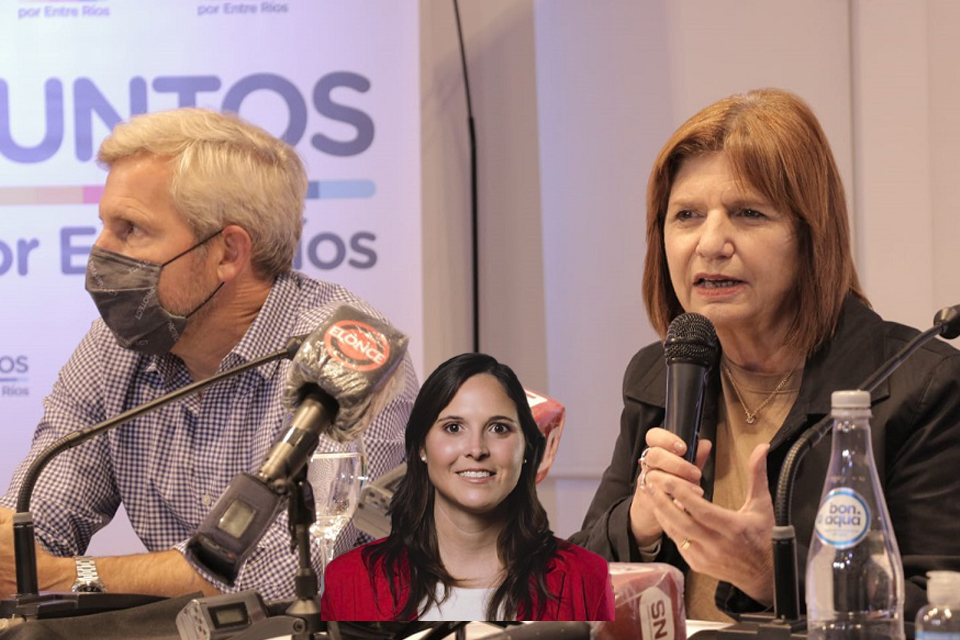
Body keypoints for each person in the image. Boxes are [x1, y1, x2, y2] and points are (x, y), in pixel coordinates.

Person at [569, 88, 960, 622]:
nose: (710, 243)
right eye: (686, 215)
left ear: (811, 236)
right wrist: (640, 525)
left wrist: (772, 576)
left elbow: (938, 611)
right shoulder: (661, 373)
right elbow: (574, 587)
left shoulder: (920, 389)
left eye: (748, 213)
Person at [0, 108, 418, 601]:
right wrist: (26, 561)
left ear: (228, 253)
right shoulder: (114, 349)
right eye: (104, 226)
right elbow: (29, 533)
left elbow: (290, 574)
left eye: (130, 229)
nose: (99, 251)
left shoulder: (345, 358)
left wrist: (63, 576)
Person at [321, 353, 614, 621]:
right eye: (453, 428)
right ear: (421, 446)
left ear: (526, 448)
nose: (476, 449)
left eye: (499, 428)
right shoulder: (349, 581)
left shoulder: (586, 578)